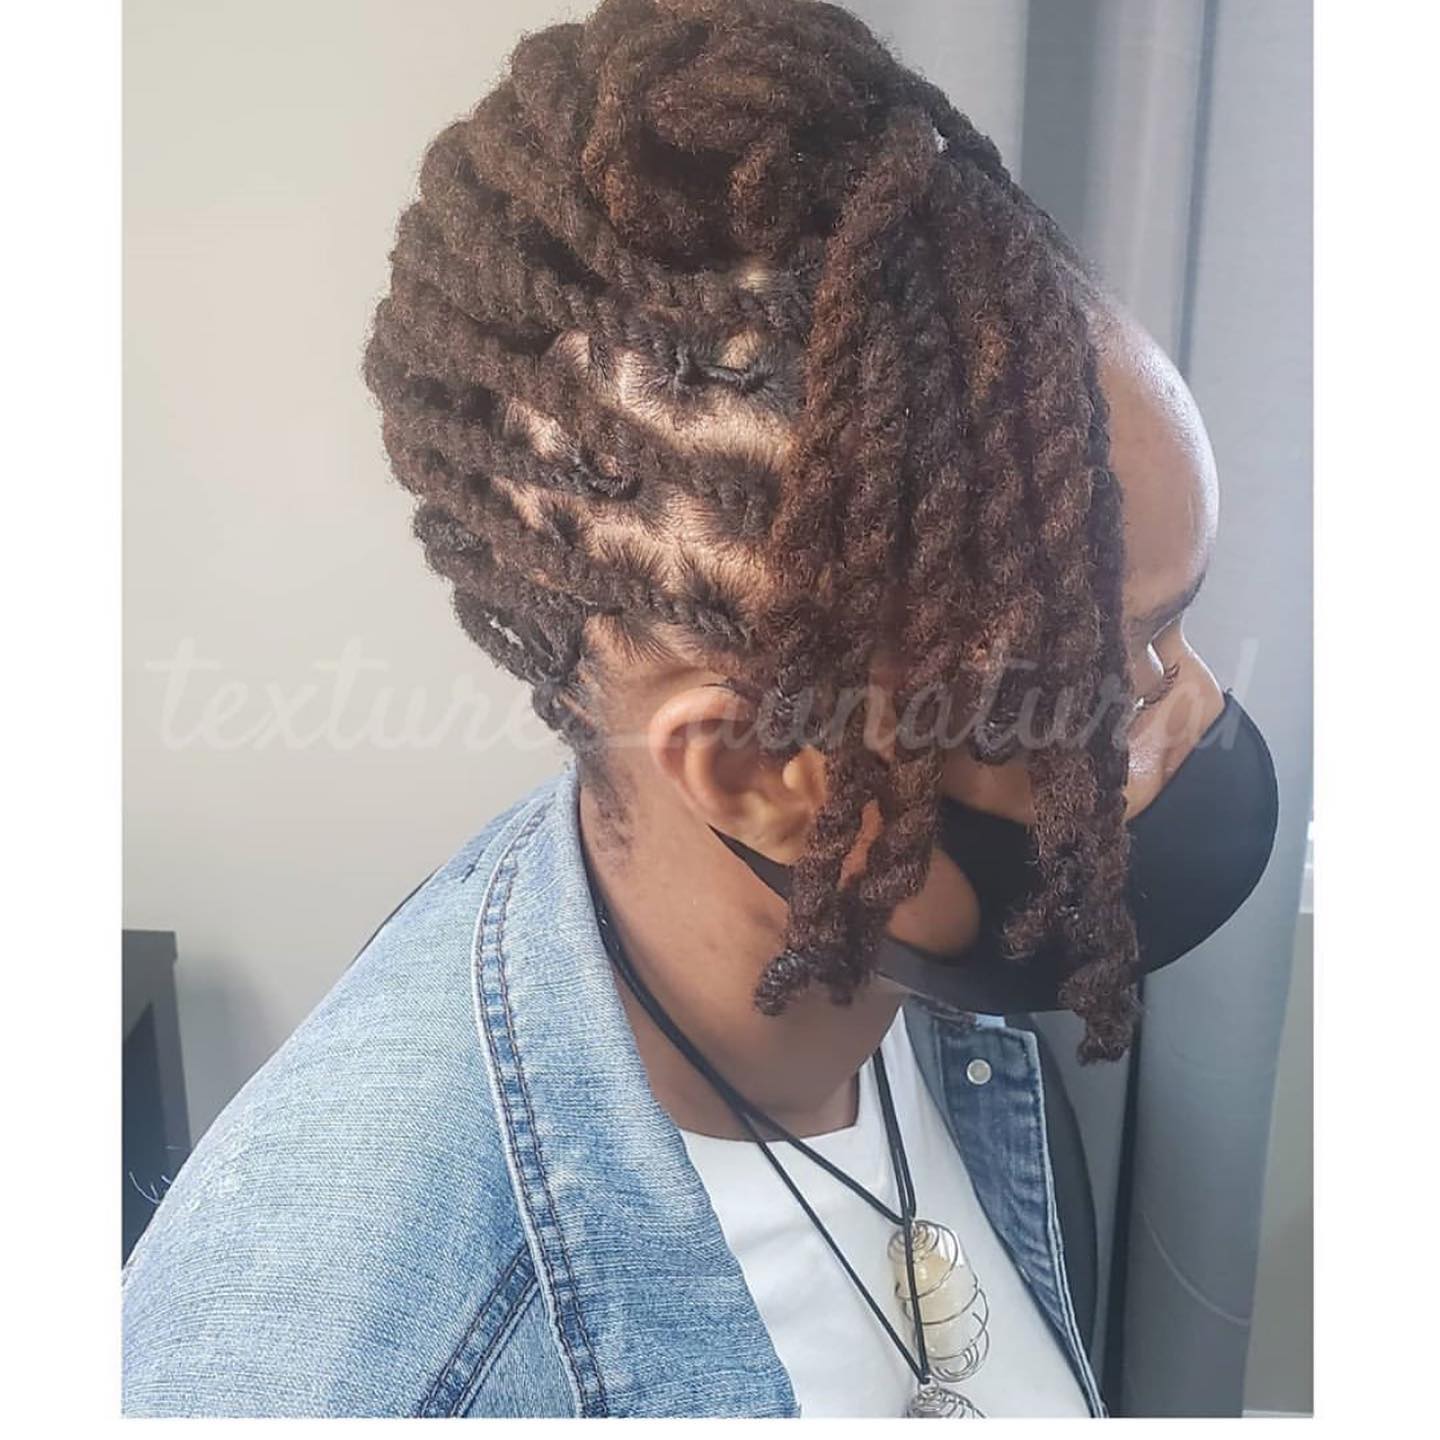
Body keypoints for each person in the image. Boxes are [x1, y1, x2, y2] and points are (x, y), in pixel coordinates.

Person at [121, 0, 1277, 1418]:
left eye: (1178, 625)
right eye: (1120, 672)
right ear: (763, 770)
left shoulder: (896, 973)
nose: (1196, 705)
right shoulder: (368, 1371)